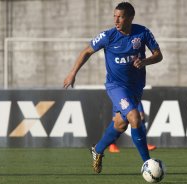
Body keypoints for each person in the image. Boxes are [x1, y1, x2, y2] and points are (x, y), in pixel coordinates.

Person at [63, 2, 163, 174]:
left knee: (120, 124)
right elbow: (86, 51)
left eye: (120, 17)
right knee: (135, 116)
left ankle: (98, 150)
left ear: (130, 18)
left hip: (136, 87)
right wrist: (73, 73)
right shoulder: (107, 36)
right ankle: (148, 163)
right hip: (116, 86)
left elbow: (158, 55)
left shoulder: (143, 33)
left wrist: (145, 61)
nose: (116, 20)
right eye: (114, 16)